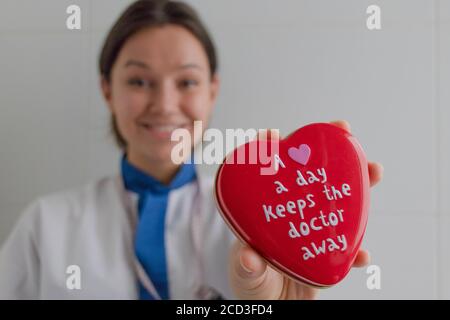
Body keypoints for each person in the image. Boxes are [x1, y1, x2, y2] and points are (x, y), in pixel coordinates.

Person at [0, 0, 383, 300]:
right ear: (106, 90)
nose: (165, 104)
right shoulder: (45, 227)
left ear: (212, 91)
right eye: (138, 80)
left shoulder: (266, 223)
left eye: (187, 81)